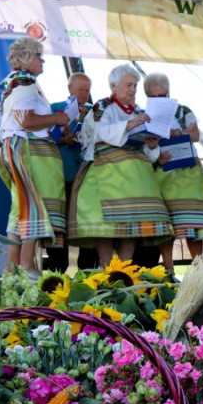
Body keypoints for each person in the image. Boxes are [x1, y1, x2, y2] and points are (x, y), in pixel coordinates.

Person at [70, 63, 173, 266]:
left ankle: (125, 268)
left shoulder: (138, 111)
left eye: (135, 85)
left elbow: (147, 152)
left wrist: (151, 145)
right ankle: (106, 266)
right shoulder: (103, 106)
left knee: (131, 224)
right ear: (113, 85)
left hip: (135, 176)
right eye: (129, 85)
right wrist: (129, 125)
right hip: (106, 170)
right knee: (105, 224)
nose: (133, 90)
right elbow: (101, 132)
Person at [0, 38, 69, 277]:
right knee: (33, 205)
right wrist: (57, 119)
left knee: (21, 206)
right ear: (27, 57)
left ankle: (12, 266)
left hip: (11, 144)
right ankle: (26, 265)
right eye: (39, 55)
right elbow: (26, 121)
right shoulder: (25, 82)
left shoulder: (13, 81)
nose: (43, 60)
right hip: (22, 147)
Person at [143, 72, 203, 274]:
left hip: (189, 171)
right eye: (155, 97)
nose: (161, 99)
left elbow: (194, 134)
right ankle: (168, 270)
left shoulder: (183, 110)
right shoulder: (144, 115)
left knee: (194, 224)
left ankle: (198, 270)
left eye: (164, 94)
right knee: (169, 225)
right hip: (164, 172)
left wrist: (177, 133)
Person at [47, 72, 99, 272]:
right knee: (60, 220)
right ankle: (56, 270)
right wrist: (63, 140)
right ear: (70, 89)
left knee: (86, 218)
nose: (84, 94)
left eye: (87, 90)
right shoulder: (55, 109)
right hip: (61, 173)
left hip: (87, 174)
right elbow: (46, 137)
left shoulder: (94, 112)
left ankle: (88, 270)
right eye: (80, 90)